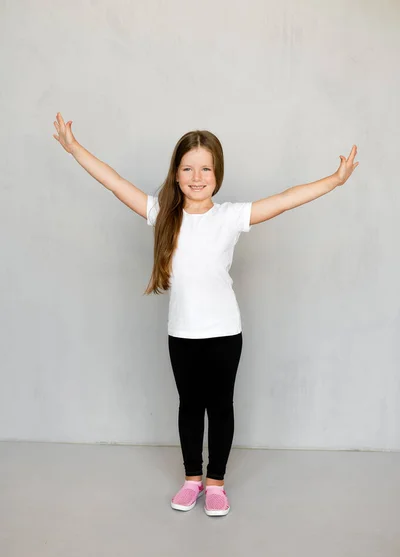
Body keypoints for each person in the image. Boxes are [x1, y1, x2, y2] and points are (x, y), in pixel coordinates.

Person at [53, 112, 359, 516]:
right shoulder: (162, 214)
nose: (197, 177)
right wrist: (75, 149)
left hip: (224, 333)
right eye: (188, 168)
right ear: (176, 174)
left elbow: (286, 198)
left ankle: (216, 484)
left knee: (220, 406)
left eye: (206, 169)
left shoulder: (229, 217)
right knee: (188, 405)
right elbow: (113, 181)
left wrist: (334, 181)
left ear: (218, 174)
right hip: (182, 333)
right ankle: (191, 480)